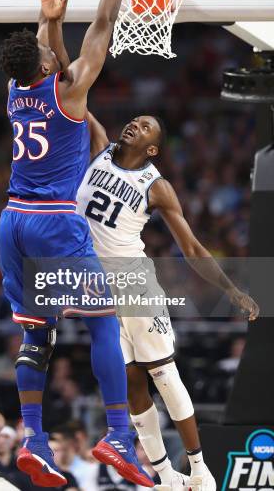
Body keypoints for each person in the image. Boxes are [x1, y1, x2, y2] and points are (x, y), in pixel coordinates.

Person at [0, 0, 153, 488]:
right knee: (105, 321)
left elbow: (49, 21)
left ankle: (33, 437)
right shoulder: (71, 88)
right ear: (47, 66)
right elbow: (105, 19)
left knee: (36, 332)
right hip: (53, 225)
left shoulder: (18, 87)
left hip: (11, 221)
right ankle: (117, 435)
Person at [74, 112, 260, 491]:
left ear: (153, 149)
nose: (134, 126)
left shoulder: (156, 186)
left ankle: (200, 469)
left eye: (145, 127)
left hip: (135, 283)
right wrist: (50, 59)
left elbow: (191, 248)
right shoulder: (98, 149)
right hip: (97, 288)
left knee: (162, 372)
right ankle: (165, 475)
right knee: (130, 380)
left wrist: (230, 289)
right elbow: (79, 94)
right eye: (135, 120)